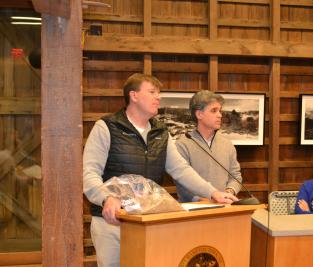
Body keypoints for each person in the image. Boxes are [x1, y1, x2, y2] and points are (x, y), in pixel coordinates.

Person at [83, 73, 235, 267]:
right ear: (134, 96)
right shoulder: (106, 127)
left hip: (149, 224)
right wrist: (107, 198)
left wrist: (212, 192)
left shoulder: (161, 132)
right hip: (113, 225)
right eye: (152, 92)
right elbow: (89, 173)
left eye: (159, 93)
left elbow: (181, 169)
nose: (158, 97)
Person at [174, 90, 243, 202]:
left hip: (224, 208)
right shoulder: (182, 144)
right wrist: (206, 199)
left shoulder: (227, 144)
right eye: (214, 111)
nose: (220, 115)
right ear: (199, 114)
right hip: (194, 211)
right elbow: (182, 183)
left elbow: (235, 176)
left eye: (220, 111)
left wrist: (228, 192)